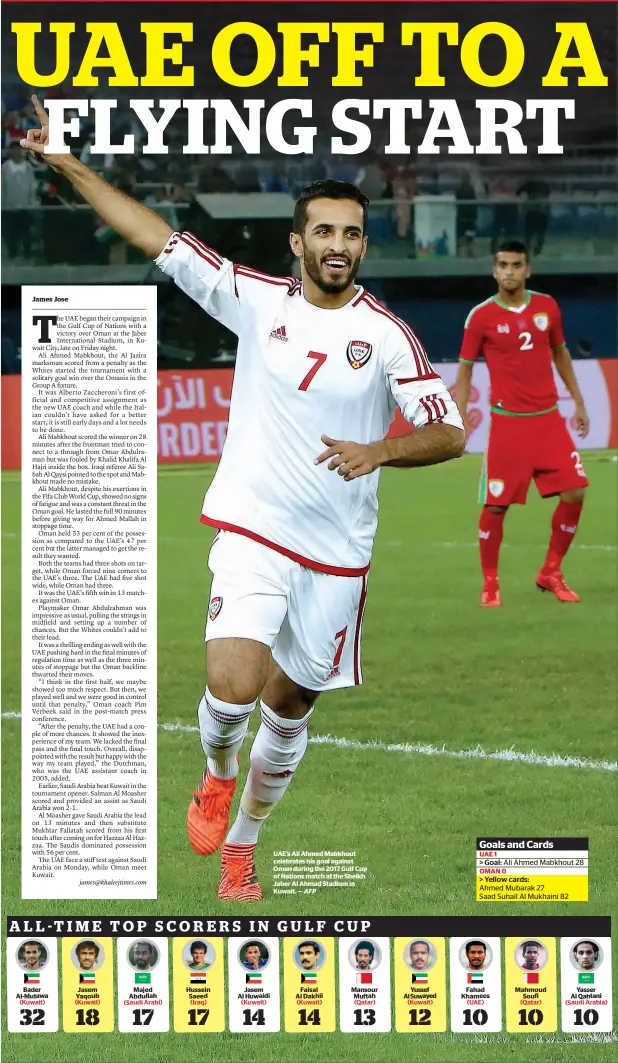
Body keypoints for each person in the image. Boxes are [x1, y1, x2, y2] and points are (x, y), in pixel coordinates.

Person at [23, 95, 464, 904]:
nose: (339, 245)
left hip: (337, 553)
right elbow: (156, 237)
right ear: (298, 241)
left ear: (364, 244)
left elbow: (450, 430)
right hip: (255, 529)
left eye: (352, 233)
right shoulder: (254, 299)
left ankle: (242, 850)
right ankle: (217, 773)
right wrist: (70, 164)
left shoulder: (389, 335)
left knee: (290, 709)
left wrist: (380, 449)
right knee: (232, 687)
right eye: (324, 231)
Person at [455, 240, 590, 607]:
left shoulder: (547, 307)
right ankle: (490, 584)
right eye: (503, 265)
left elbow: (560, 354)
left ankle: (551, 571)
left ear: (527, 270)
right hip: (508, 425)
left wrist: (578, 402)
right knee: (496, 506)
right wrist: (458, 418)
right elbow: (465, 371)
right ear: (494, 270)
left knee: (576, 490)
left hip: (547, 422)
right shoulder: (480, 316)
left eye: (517, 265)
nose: (510, 271)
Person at [1, 141, 38, 259]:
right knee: (11, 234)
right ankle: (13, 254)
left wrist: (32, 203)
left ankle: (27, 254)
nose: (17, 151)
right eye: (15, 149)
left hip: (25, 206)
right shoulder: (5, 167)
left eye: (19, 149)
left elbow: (32, 186)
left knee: (26, 232)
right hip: (9, 207)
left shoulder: (28, 167)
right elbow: (2, 186)